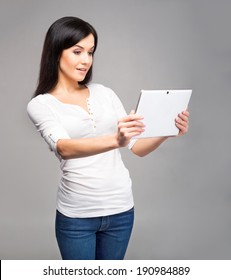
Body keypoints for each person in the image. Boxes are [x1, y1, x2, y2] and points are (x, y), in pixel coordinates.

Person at [27, 16, 189, 260]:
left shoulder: (105, 93)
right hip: (77, 216)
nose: (85, 61)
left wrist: (168, 130)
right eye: (77, 51)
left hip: (121, 210)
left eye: (90, 52)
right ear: (56, 52)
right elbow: (64, 148)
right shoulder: (41, 104)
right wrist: (116, 140)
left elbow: (137, 148)